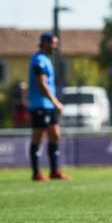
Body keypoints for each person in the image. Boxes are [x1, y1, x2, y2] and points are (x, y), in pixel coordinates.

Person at [27, 32, 70, 181]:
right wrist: (55, 102)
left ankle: (54, 171)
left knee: (55, 135)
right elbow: (42, 84)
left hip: (48, 106)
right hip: (40, 104)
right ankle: (36, 173)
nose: (55, 46)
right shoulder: (39, 60)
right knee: (38, 138)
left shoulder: (46, 59)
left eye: (56, 43)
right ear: (44, 43)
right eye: (53, 43)